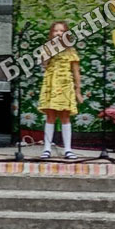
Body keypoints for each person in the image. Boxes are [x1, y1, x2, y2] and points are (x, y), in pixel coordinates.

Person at [37, 20, 83, 159]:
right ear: (51, 33)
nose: (58, 33)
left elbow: (76, 72)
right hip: (51, 84)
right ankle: (47, 149)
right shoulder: (47, 48)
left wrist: (78, 91)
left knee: (65, 116)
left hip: (65, 85)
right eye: (56, 31)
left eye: (61, 31)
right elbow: (44, 65)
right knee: (50, 116)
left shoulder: (71, 51)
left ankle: (68, 149)